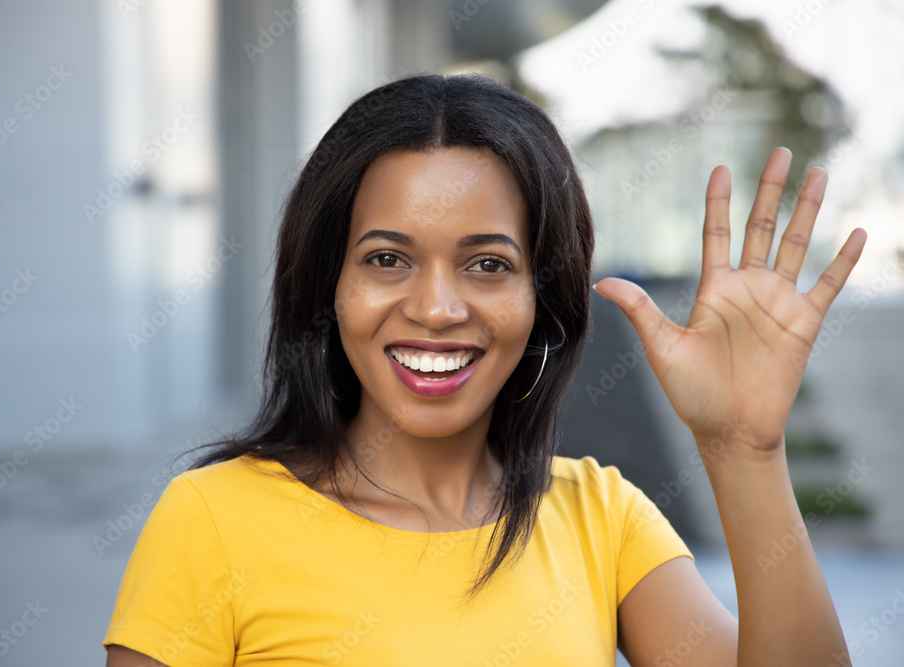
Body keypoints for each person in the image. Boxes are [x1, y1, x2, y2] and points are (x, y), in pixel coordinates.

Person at [103, 73, 865, 666]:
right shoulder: (212, 518)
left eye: (488, 263)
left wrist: (743, 448)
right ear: (328, 285)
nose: (437, 308)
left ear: (544, 295)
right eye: (387, 258)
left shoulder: (603, 516)